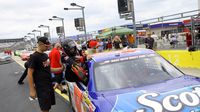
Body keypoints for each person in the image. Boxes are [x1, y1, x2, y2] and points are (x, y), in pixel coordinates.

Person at [27, 37, 55, 112]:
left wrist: (60, 69)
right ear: (40, 44)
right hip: (41, 87)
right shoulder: (34, 57)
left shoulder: (45, 55)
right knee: (44, 108)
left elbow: (48, 69)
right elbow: (29, 74)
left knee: (48, 107)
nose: (48, 47)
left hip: (49, 85)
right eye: (46, 46)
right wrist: (32, 90)